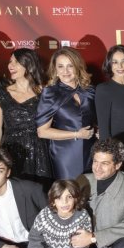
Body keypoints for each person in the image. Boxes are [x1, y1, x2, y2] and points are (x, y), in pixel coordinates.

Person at [0, 48, 52, 182]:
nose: (10, 66)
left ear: (29, 64)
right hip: (12, 151)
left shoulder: (45, 93)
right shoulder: (0, 95)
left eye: (16, 62)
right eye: (10, 62)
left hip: (40, 151)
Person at [36, 47, 96, 180]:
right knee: (69, 193)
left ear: (78, 67)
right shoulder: (50, 93)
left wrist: (97, 129)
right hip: (65, 155)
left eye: (70, 66)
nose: (65, 71)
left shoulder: (90, 91)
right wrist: (76, 134)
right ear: (55, 70)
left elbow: (92, 119)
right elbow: (42, 132)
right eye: (61, 66)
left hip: (91, 152)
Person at [96, 45, 124, 156]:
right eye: (115, 62)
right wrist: (108, 155)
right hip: (117, 150)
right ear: (109, 64)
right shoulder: (103, 89)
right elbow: (104, 128)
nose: (120, 66)